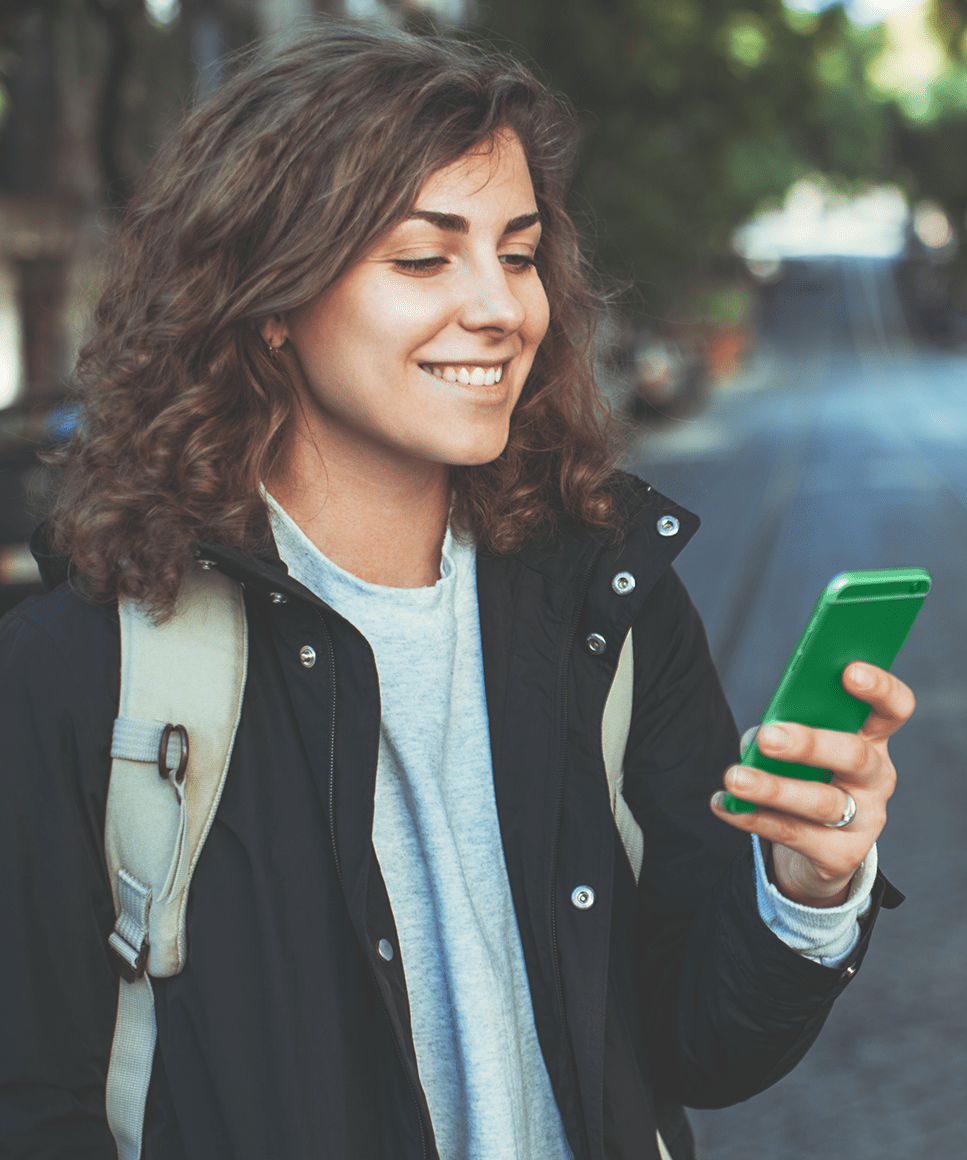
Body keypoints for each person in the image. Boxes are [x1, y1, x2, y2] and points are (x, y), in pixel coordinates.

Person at [0, 26, 912, 1160]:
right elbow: (36, 1102)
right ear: (267, 296)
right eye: (424, 258)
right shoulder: (76, 669)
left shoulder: (610, 602)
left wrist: (804, 883)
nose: (501, 308)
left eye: (518, 253)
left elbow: (698, 1047)